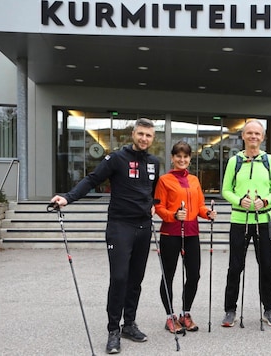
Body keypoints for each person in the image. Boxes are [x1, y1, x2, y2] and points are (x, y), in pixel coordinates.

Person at [50, 118, 160, 354]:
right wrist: (68, 198)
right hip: (120, 226)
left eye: (148, 135)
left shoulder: (154, 162)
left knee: (135, 280)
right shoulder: (116, 159)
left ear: (153, 138)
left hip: (143, 227)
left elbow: (154, 190)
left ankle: (129, 324)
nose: (144, 139)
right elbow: (92, 179)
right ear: (133, 134)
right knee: (120, 277)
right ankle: (113, 330)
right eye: (140, 134)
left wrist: (155, 204)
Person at [220, 120, 271, 327]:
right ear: (243, 136)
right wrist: (239, 201)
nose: (253, 136)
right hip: (239, 219)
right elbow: (225, 190)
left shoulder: (270, 160)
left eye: (257, 133)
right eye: (249, 133)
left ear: (262, 137)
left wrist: (265, 201)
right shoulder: (234, 161)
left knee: (267, 265)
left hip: (264, 220)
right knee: (235, 266)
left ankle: (269, 309)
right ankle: (230, 310)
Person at [154, 141, 217, 333]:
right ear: (172, 158)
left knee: (194, 275)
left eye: (186, 156)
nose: (182, 160)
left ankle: (185, 313)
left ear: (190, 159)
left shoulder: (194, 180)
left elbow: (199, 206)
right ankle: (170, 316)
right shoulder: (164, 180)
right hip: (170, 233)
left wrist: (208, 213)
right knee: (169, 275)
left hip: (191, 233)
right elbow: (158, 207)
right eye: (178, 156)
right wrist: (172, 215)